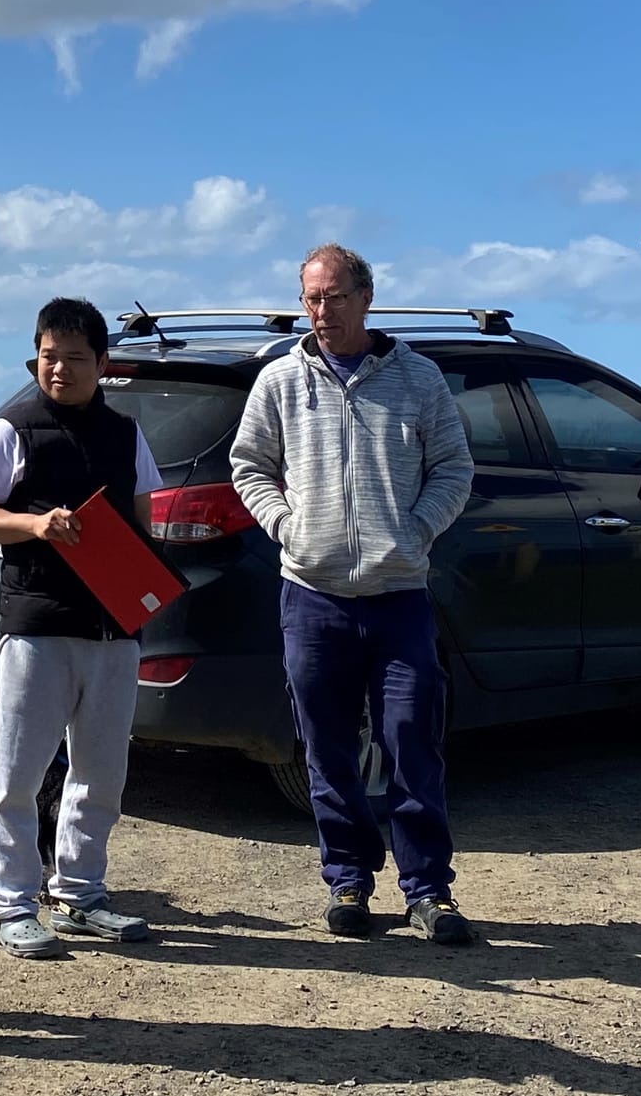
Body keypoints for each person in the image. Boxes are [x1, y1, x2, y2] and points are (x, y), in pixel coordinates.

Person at [229, 243, 477, 943]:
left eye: (335, 296)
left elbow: (454, 468)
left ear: (366, 297)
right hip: (313, 594)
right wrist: (288, 527)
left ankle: (429, 889)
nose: (322, 310)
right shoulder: (281, 380)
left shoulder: (419, 378)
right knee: (327, 745)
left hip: (398, 595)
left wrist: (415, 531)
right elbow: (249, 465)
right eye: (311, 296)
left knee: (410, 739)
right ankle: (347, 878)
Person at [0, 297, 161, 958]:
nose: (59, 369)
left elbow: (144, 522)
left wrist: (146, 582)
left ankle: (81, 893)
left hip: (113, 631)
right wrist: (34, 525)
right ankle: (12, 904)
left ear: (102, 364)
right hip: (37, 626)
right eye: (48, 356)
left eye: (75, 358)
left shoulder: (126, 434)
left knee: (101, 772)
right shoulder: (11, 427)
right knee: (19, 773)